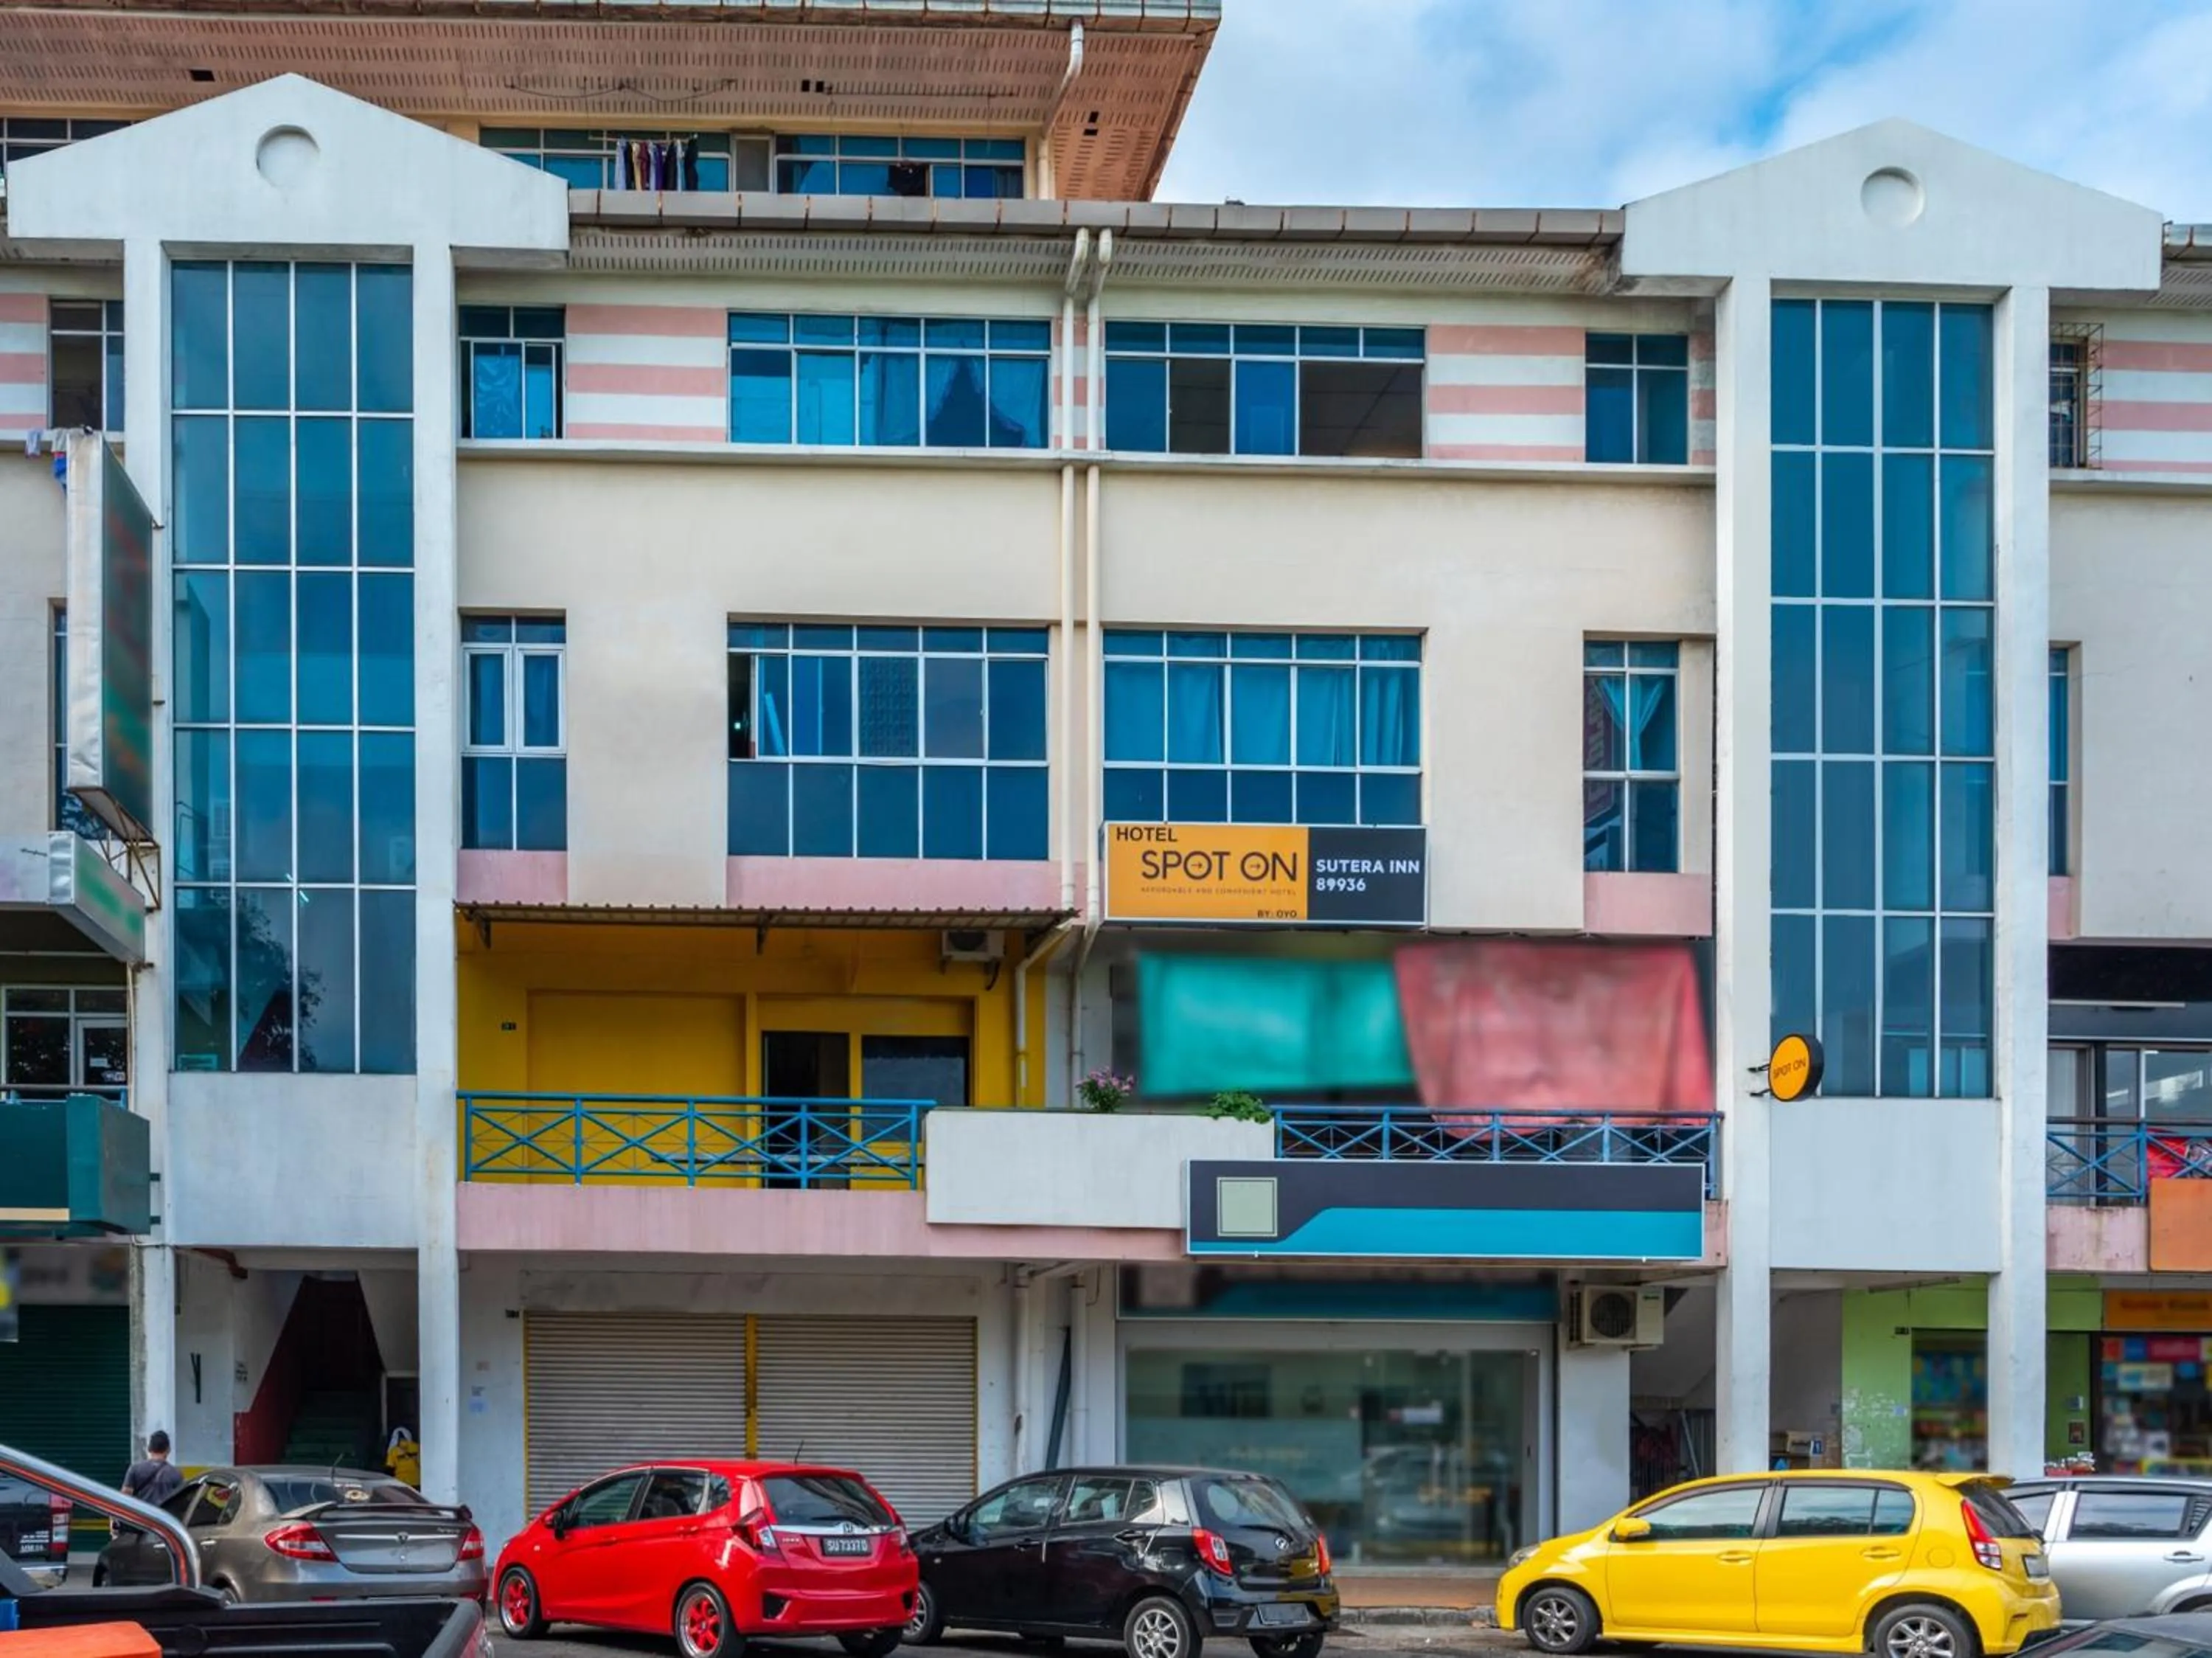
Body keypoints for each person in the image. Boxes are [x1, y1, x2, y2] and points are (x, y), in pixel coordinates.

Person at [122, 1429, 184, 1510]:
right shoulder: (176, 1473)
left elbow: (125, 1498)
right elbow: (182, 1502)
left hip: (140, 1518)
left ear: (149, 1448)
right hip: (163, 1520)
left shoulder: (135, 1469)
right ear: (168, 1450)